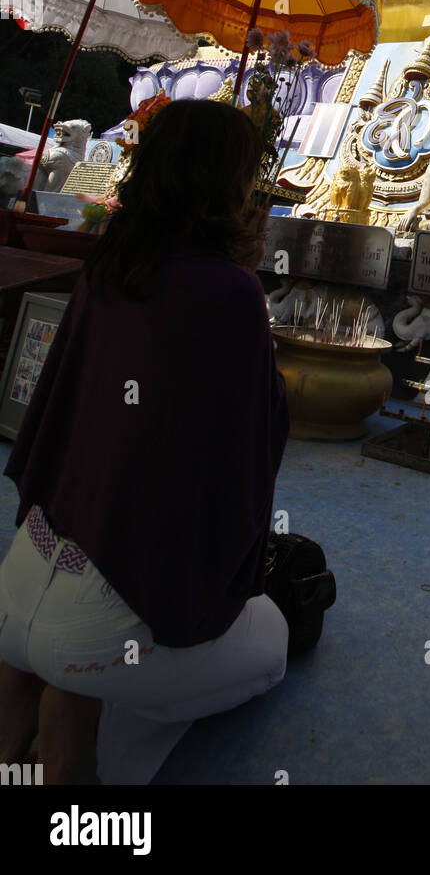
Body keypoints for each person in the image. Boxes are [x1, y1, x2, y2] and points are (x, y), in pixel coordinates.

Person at [0, 100, 290, 784]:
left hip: (21, 583)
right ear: (226, 182)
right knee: (269, 637)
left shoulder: (108, 266)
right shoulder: (229, 293)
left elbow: (62, 414)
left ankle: (25, 756)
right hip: (102, 618)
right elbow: (248, 449)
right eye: (250, 174)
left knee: (61, 659)